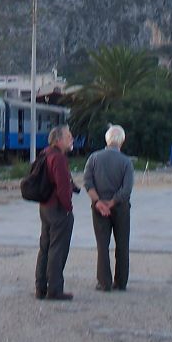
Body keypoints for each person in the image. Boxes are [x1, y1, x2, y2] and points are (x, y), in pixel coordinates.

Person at [84, 124, 134, 292]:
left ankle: (104, 282)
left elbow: (87, 182)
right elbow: (126, 189)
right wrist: (112, 203)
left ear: (106, 140)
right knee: (122, 244)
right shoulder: (126, 162)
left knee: (102, 245)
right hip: (120, 208)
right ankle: (120, 282)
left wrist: (99, 202)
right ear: (122, 141)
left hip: (98, 207)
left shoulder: (93, 158)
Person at [35, 125, 79, 300]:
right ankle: (55, 289)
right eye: (69, 136)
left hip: (45, 207)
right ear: (59, 140)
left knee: (45, 248)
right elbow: (62, 187)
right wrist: (68, 207)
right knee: (57, 249)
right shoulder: (59, 158)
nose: (72, 139)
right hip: (58, 208)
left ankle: (41, 287)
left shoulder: (44, 154)